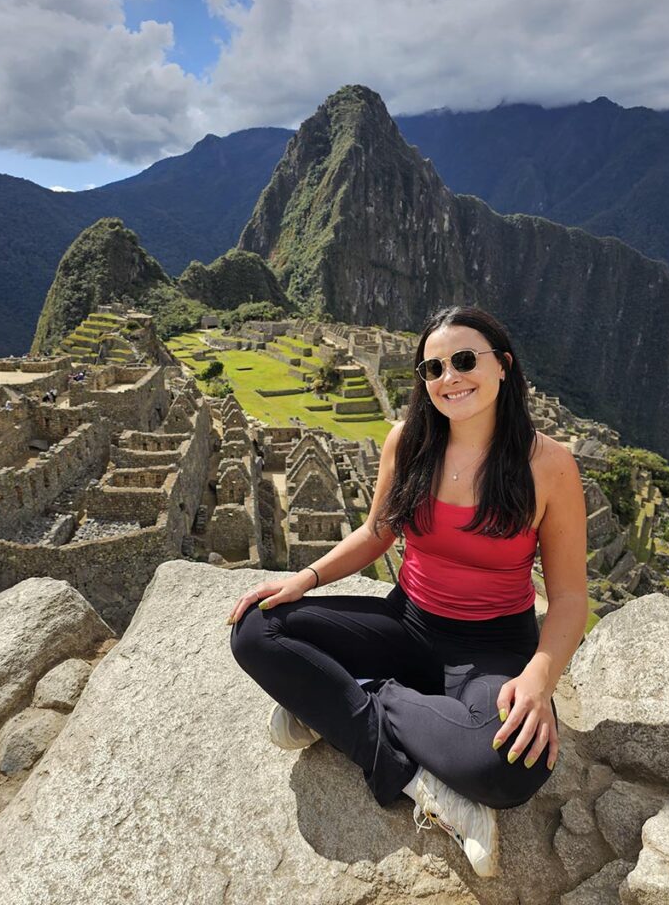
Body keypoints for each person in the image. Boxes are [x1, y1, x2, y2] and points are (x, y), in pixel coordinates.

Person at [228, 306, 587, 879]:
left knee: (511, 768)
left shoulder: (549, 465)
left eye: (465, 360)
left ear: (504, 368)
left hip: (491, 649)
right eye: (433, 367)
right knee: (256, 628)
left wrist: (540, 678)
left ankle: (357, 697)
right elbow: (377, 533)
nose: (450, 377)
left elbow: (568, 597)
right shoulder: (408, 442)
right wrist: (306, 579)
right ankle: (418, 777)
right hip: (408, 623)